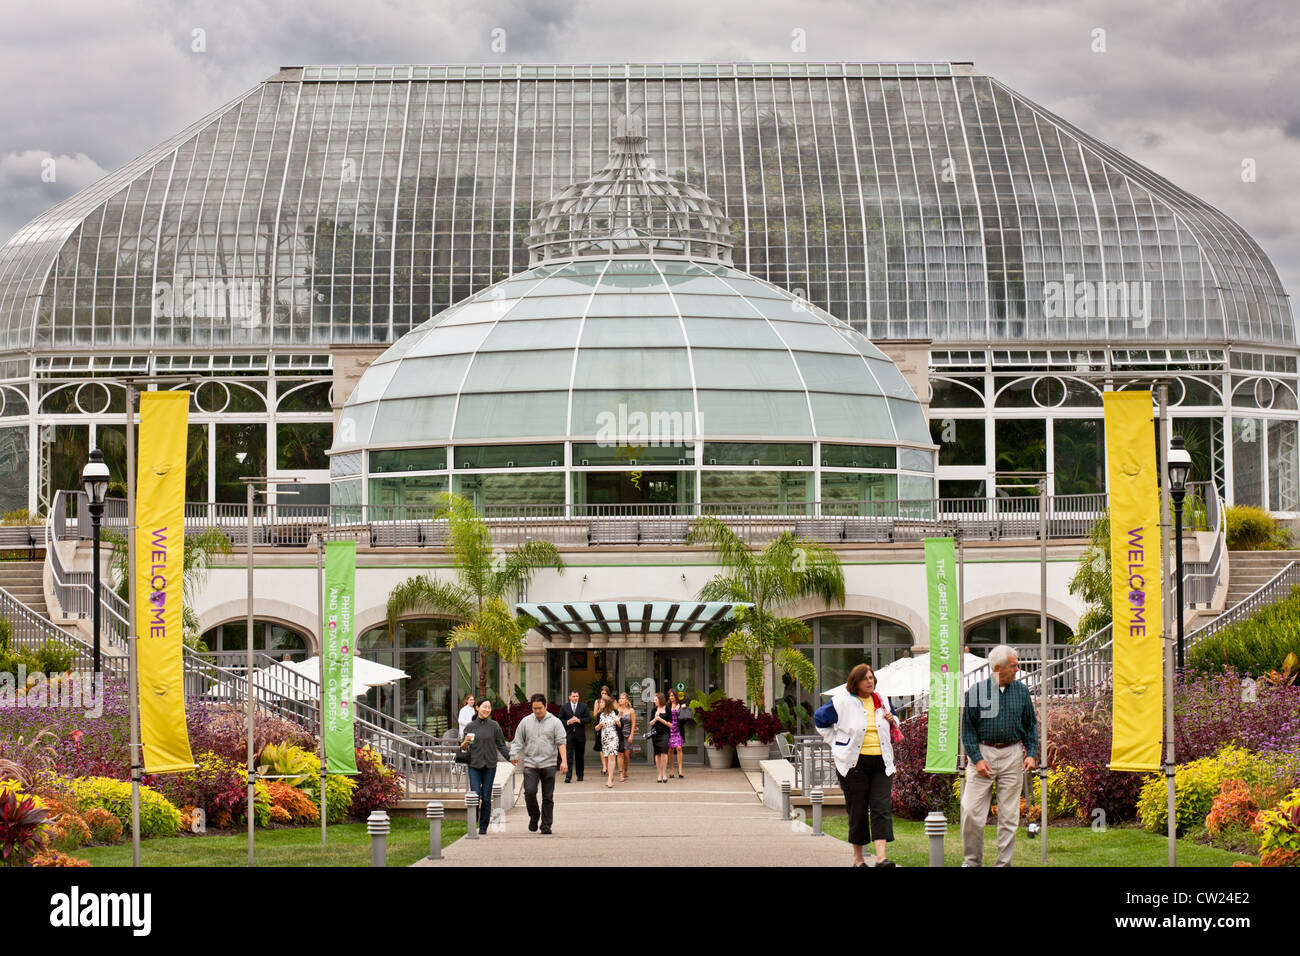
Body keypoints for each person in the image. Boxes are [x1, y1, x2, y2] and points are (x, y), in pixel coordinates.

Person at [814, 662, 902, 867]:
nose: (870, 681)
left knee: (881, 808)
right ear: (856, 682)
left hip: (882, 763)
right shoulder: (842, 701)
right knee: (858, 810)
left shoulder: (881, 699)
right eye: (865, 678)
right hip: (854, 766)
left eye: (871, 677)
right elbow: (820, 720)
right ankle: (859, 859)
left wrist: (891, 719)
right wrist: (837, 743)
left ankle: (881, 859)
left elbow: (896, 722)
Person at [959, 645, 1038, 867]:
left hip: (1012, 755)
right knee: (971, 812)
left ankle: (1004, 864)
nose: (1018, 669)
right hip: (982, 754)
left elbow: (1031, 726)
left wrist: (1031, 754)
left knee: (1009, 816)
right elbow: (967, 730)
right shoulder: (976, 691)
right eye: (1013, 666)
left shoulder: (1022, 691)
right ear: (997, 668)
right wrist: (977, 759)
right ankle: (972, 862)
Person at [509, 693, 567, 834]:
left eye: (539, 708)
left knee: (548, 797)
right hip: (530, 764)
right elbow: (518, 741)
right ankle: (534, 816)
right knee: (529, 792)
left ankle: (546, 825)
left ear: (545, 706)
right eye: (534, 708)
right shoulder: (526, 722)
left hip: (549, 764)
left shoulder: (555, 722)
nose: (537, 711)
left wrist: (564, 761)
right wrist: (513, 754)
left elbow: (561, 742)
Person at [459, 698, 510, 834]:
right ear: (477, 708)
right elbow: (463, 747)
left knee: (486, 797)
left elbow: (501, 745)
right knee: (475, 794)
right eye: (484, 707)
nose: (487, 709)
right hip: (474, 765)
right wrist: (465, 741)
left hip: (490, 765)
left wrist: (511, 758)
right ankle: (473, 821)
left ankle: (483, 827)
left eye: (489, 707)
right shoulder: (470, 726)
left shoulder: (494, 726)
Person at [560, 689, 589, 783]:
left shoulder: (584, 706)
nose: (575, 698)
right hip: (568, 735)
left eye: (577, 696)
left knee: (579, 756)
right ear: (569, 697)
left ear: (578, 697)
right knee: (569, 756)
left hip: (580, 735)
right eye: (573, 696)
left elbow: (588, 719)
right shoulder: (564, 707)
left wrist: (579, 720)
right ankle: (568, 776)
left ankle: (580, 775)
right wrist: (568, 722)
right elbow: (560, 720)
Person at [595, 697, 620, 788]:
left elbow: (620, 726)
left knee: (612, 757)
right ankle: (611, 776)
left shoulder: (615, 713)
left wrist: (618, 722)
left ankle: (609, 779)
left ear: (607, 703)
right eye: (600, 702)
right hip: (604, 738)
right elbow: (596, 729)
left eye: (602, 702)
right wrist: (599, 725)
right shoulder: (599, 715)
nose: (600, 704)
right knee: (608, 758)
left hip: (613, 737)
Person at [648, 692, 672, 783]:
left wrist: (660, 719)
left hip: (665, 734)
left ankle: (664, 773)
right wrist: (655, 718)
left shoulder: (668, 709)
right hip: (656, 734)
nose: (654, 701)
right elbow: (650, 723)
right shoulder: (654, 710)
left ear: (660, 700)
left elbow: (670, 724)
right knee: (657, 754)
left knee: (664, 753)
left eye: (655, 700)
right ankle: (659, 774)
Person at [616, 692, 636, 781]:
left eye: (623, 698)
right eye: (620, 698)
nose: (621, 699)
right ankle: (620, 773)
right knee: (620, 754)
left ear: (627, 700)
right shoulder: (616, 710)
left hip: (627, 734)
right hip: (618, 734)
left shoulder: (631, 710)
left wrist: (631, 735)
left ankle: (625, 770)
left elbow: (633, 723)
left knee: (626, 755)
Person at [667, 689, 686, 779]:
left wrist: (684, 707)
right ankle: (671, 769)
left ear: (676, 696)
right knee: (670, 749)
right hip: (669, 730)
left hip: (678, 729)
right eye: (670, 696)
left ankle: (680, 769)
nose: (671, 697)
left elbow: (685, 712)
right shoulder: (667, 706)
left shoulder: (681, 704)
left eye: (672, 696)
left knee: (679, 748)